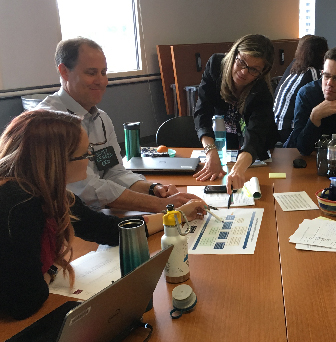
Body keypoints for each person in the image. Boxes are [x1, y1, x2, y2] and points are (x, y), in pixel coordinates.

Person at [0, 110, 207, 320]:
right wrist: (52, 270)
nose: (90, 160)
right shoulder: (19, 205)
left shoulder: (50, 193)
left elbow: (110, 230)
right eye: (83, 155)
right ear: (57, 161)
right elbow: (25, 301)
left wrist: (177, 215)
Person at [36, 37, 197, 212]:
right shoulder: (48, 122)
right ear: (64, 72)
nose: (101, 81)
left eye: (103, 72)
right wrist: (159, 205)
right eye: (91, 73)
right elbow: (85, 188)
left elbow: (114, 172)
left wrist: (153, 189)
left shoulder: (102, 119)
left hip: (98, 215)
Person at [193, 34, 278, 194]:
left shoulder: (263, 90)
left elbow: (255, 135)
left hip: (254, 155)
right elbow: (202, 112)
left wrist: (238, 169)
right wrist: (211, 153)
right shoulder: (216, 65)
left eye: (253, 69)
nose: (244, 72)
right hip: (224, 143)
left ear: (262, 71)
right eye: (241, 62)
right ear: (234, 54)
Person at [273, 35, 328, 144]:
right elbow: (322, 100)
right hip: (288, 129)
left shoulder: (295, 68)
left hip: (276, 125)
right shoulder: (312, 73)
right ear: (322, 53)